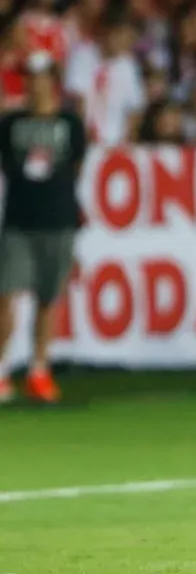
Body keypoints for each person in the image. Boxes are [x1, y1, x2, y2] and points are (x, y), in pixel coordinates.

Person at [0, 51, 87, 404]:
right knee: (6, 296)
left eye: (43, 77)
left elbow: (77, 165)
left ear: (53, 81)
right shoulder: (10, 123)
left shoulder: (70, 122)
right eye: (31, 77)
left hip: (59, 220)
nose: (37, 84)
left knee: (48, 300)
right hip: (19, 221)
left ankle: (39, 369)